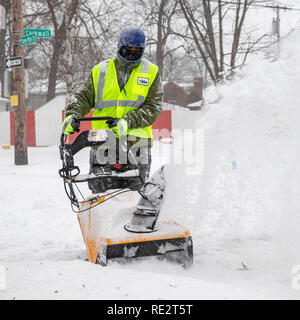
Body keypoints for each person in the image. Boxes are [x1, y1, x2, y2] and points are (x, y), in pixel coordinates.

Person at [62, 26, 163, 193]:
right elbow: (83, 98)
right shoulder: (100, 71)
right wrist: (72, 115)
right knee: (101, 196)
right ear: (119, 47)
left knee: (134, 198)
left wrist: (127, 122)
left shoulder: (151, 72)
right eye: (128, 49)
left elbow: (154, 107)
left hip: (136, 144)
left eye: (137, 50)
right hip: (102, 143)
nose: (132, 53)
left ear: (143, 49)